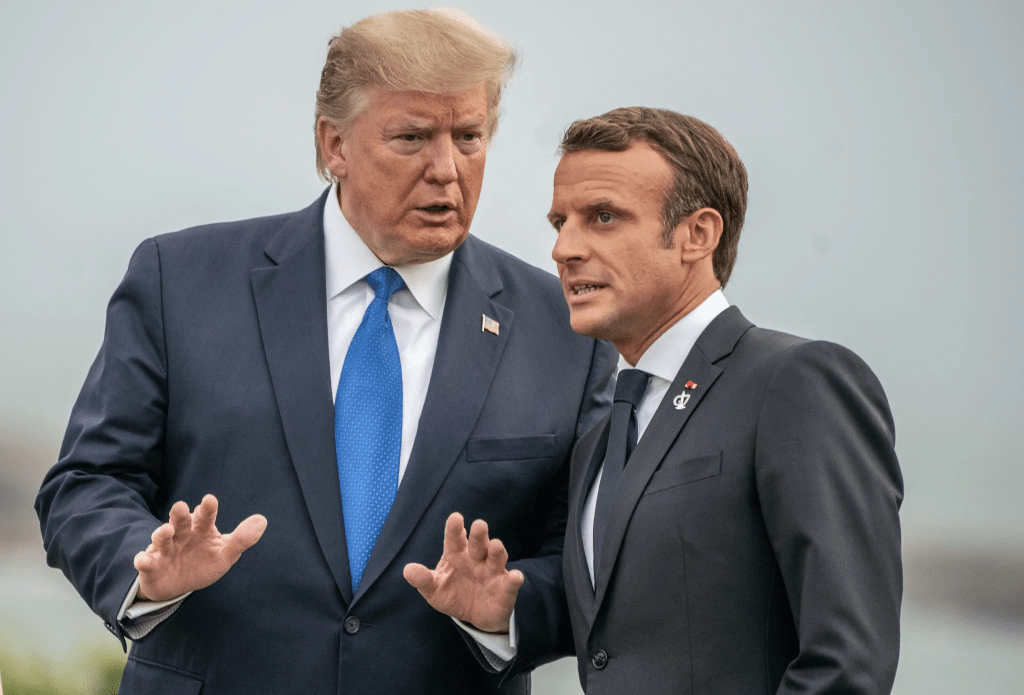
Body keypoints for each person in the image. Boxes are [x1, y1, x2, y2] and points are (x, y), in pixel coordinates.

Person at [34, 10, 616, 694]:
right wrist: (145, 569)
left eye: (468, 136)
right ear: (334, 144)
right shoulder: (179, 280)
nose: (446, 169)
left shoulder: (566, 327)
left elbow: (591, 554)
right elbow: (85, 484)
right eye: (412, 137)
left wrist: (507, 609)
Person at [406, 107, 904, 694]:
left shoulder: (796, 382)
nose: (563, 248)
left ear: (699, 235)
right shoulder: (603, 434)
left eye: (603, 217)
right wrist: (504, 613)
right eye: (560, 221)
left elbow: (848, 666)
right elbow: (632, 621)